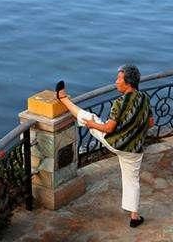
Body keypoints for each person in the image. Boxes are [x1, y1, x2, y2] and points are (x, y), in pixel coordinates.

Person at [55, 64, 154, 227]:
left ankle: (63, 98)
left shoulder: (119, 103)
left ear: (128, 82)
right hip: (134, 150)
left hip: (114, 142)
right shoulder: (144, 98)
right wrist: (134, 130)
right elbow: (150, 122)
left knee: (89, 117)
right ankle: (134, 216)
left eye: (119, 79)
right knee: (132, 180)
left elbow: (108, 128)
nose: (116, 82)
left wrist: (92, 125)